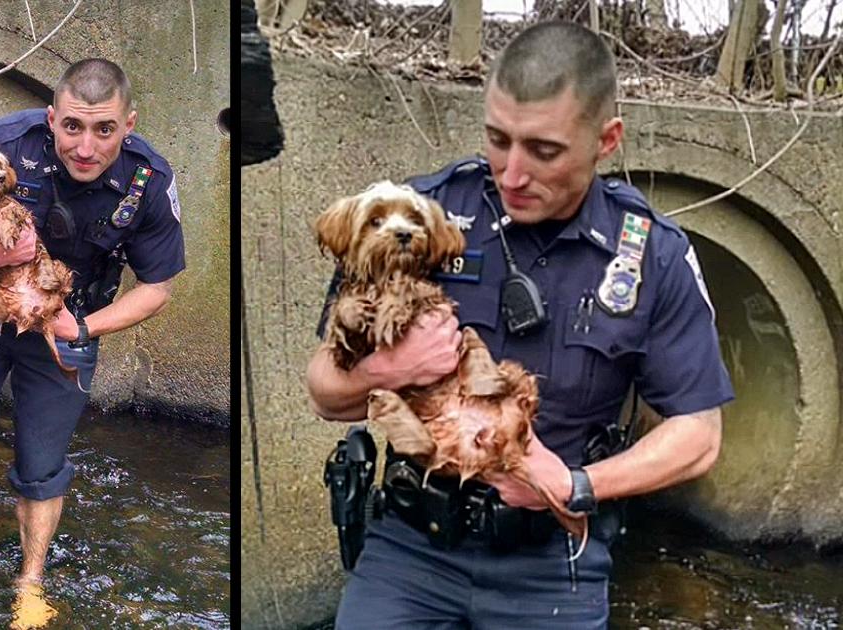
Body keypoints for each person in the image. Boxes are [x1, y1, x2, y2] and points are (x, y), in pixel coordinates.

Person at [306, 21, 732, 629]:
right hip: (411, 548)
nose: (510, 174)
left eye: (544, 150)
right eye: (497, 140)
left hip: (552, 564)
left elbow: (699, 436)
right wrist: (387, 370)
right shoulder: (423, 213)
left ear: (606, 140)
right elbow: (324, 389)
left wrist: (576, 485)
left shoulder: (650, 256)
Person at [0, 58, 185, 615]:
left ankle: (31, 582)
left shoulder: (149, 181)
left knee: (41, 467)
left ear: (128, 124)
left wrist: (81, 326)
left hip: (69, 319)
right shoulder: (0, 144)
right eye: (72, 127)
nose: (85, 147)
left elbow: (157, 288)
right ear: (52, 117)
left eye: (104, 130)